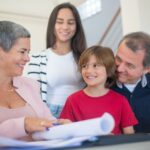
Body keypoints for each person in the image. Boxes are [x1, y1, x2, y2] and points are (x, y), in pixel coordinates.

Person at [0, 21, 69, 141]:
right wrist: (24, 124)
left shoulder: (30, 86)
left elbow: (47, 120)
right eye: (22, 52)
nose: (27, 58)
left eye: (28, 52)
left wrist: (59, 125)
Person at [27, 2, 87, 118]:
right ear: (52, 25)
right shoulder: (38, 58)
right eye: (60, 22)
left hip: (80, 111)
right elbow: (32, 95)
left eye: (71, 23)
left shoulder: (86, 57)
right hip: (51, 113)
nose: (65, 27)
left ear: (77, 26)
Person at [60, 45, 138, 135]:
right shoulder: (72, 100)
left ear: (109, 70)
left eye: (95, 66)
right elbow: (65, 132)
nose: (88, 71)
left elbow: (130, 136)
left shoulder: (121, 100)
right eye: (84, 66)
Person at [112, 32, 150, 133]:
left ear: (147, 69)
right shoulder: (99, 84)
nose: (120, 69)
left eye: (130, 65)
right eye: (118, 59)